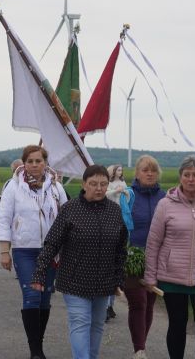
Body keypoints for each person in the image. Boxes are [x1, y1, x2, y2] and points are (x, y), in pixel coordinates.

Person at [31, 164, 128, 359]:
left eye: (103, 184)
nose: (99, 188)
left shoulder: (114, 211)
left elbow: (120, 249)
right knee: (80, 322)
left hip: (104, 281)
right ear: (84, 184)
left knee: (97, 324)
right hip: (75, 280)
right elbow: (51, 243)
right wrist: (40, 273)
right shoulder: (70, 209)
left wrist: (119, 279)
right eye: (93, 184)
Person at [144, 155, 195, 359]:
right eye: (186, 174)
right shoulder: (165, 205)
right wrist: (151, 276)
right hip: (172, 276)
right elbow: (153, 242)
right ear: (180, 177)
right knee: (177, 325)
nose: (191, 179)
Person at [0, 145, 68, 359]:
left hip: (51, 250)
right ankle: (35, 351)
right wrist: (4, 251)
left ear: (45, 163)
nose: (34, 165)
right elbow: (3, 218)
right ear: (24, 163)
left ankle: (39, 343)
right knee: (31, 295)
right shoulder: (14, 186)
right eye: (30, 161)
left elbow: (66, 216)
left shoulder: (56, 187)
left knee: (45, 299)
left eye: (38, 161)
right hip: (24, 249)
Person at [126, 154, 166, 359]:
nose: (149, 173)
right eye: (145, 170)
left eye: (153, 170)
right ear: (137, 173)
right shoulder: (127, 195)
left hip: (157, 258)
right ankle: (139, 349)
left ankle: (142, 343)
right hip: (133, 258)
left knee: (149, 303)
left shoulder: (165, 198)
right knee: (138, 302)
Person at [105, 163, 130, 322]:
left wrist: (125, 192)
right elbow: (107, 195)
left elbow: (127, 196)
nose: (121, 172)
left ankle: (111, 305)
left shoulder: (123, 184)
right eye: (118, 170)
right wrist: (116, 191)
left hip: (121, 217)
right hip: (111, 217)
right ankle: (107, 306)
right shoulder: (109, 184)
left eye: (122, 170)